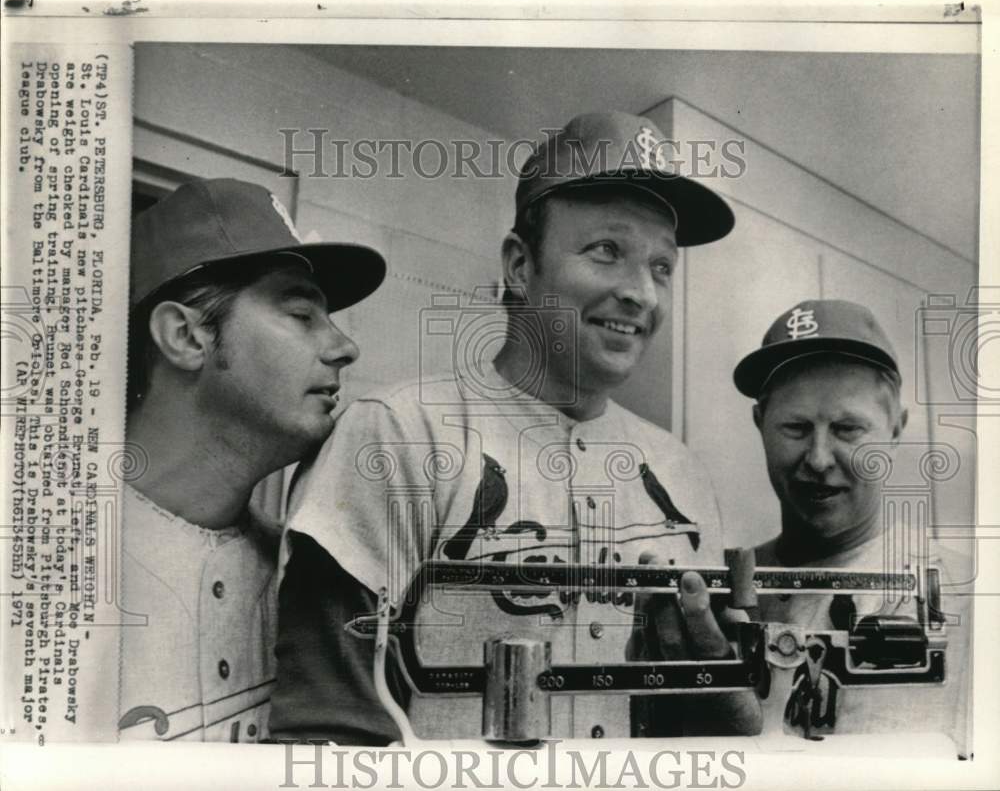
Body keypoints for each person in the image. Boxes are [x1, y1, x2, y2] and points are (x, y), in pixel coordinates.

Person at [271, 112, 761, 743]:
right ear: (519, 265)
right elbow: (324, 727)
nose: (642, 293)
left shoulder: (680, 472)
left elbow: (686, 722)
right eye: (607, 251)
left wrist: (717, 673)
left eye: (662, 266)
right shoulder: (398, 434)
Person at [113, 178, 385, 742]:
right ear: (186, 337)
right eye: (302, 314)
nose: (345, 348)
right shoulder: (39, 567)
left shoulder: (311, 577)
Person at [733, 299, 971, 751]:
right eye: (796, 428)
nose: (820, 459)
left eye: (847, 429)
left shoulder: (967, 596)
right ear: (760, 422)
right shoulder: (728, 594)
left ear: (895, 429)